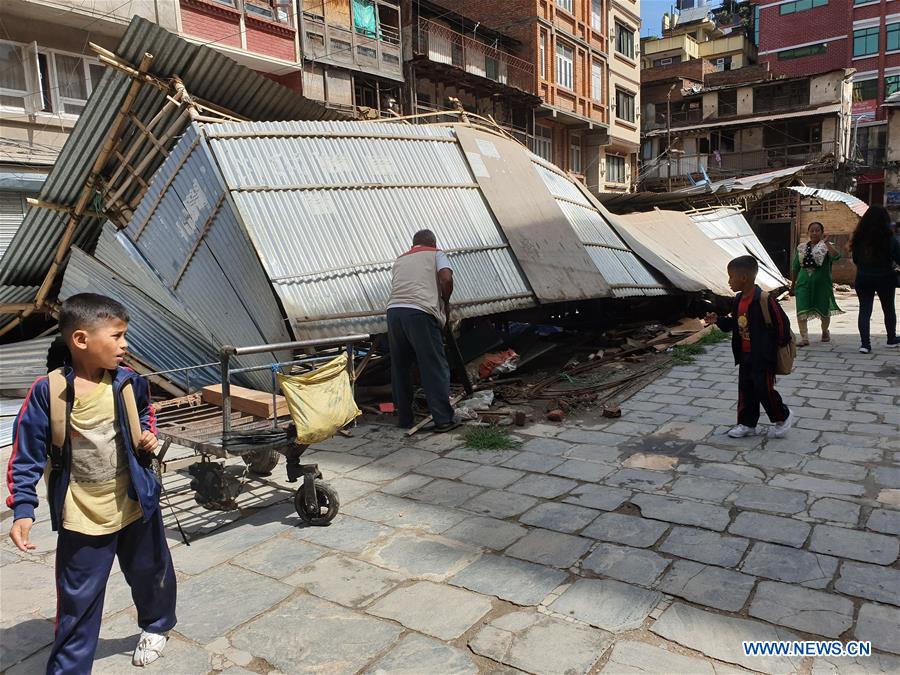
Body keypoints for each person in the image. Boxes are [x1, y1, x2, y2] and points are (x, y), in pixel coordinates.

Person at [6, 293, 177, 673]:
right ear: (81, 340)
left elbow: (145, 415)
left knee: (152, 573)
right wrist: (23, 508)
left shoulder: (129, 382)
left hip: (135, 503)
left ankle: (157, 626)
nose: (125, 345)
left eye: (124, 335)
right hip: (82, 513)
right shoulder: (48, 392)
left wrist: (147, 435)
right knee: (78, 600)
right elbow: (26, 453)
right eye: (116, 336)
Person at [705, 255, 794, 439]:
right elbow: (735, 324)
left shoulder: (764, 299)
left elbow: (782, 324)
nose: (729, 281)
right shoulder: (738, 300)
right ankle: (746, 424)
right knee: (746, 389)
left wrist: (774, 348)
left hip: (763, 356)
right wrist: (718, 320)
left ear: (744, 277)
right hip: (745, 354)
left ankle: (782, 417)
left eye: (731, 277)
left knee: (764, 390)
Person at [386, 229, 456, 431]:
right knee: (432, 365)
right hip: (420, 312)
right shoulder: (436, 254)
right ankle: (443, 419)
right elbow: (446, 278)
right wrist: (445, 300)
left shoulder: (400, 259)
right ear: (432, 243)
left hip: (394, 312)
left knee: (400, 367)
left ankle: (404, 419)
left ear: (413, 244)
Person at [850, 205, 900, 353]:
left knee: (865, 310)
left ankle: (865, 344)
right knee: (888, 308)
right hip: (885, 277)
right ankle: (891, 338)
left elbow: (856, 259)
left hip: (863, 277)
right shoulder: (889, 238)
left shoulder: (858, 238)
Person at [790, 221, 843, 346]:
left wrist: (826, 243)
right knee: (801, 309)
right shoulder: (801, 248)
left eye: (817, 230)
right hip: (803, 284)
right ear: (808, 233)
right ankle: (804, 337)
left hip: (822, 285)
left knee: (823, 309)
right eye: (811, 230)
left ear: (822, 233)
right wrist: (793, 285)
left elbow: (836, 256)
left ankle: (825, 331)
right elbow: (795, 267)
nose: (814, 233)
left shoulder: (826, 247)